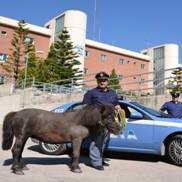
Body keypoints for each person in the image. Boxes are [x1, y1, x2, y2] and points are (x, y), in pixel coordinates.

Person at [82, 71, 121, 170]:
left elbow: (116, 103)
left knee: (104, 141)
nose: (102, 82)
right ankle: (96, 162)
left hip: (110, 121)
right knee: (97, 141)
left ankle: (99, 158)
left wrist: (118, 108)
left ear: (107, 81)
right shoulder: (91, 93)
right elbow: (84, 106)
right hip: (97, 121)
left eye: (104, 80)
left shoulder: (113, 93)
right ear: (97, 81)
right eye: (100, 80)